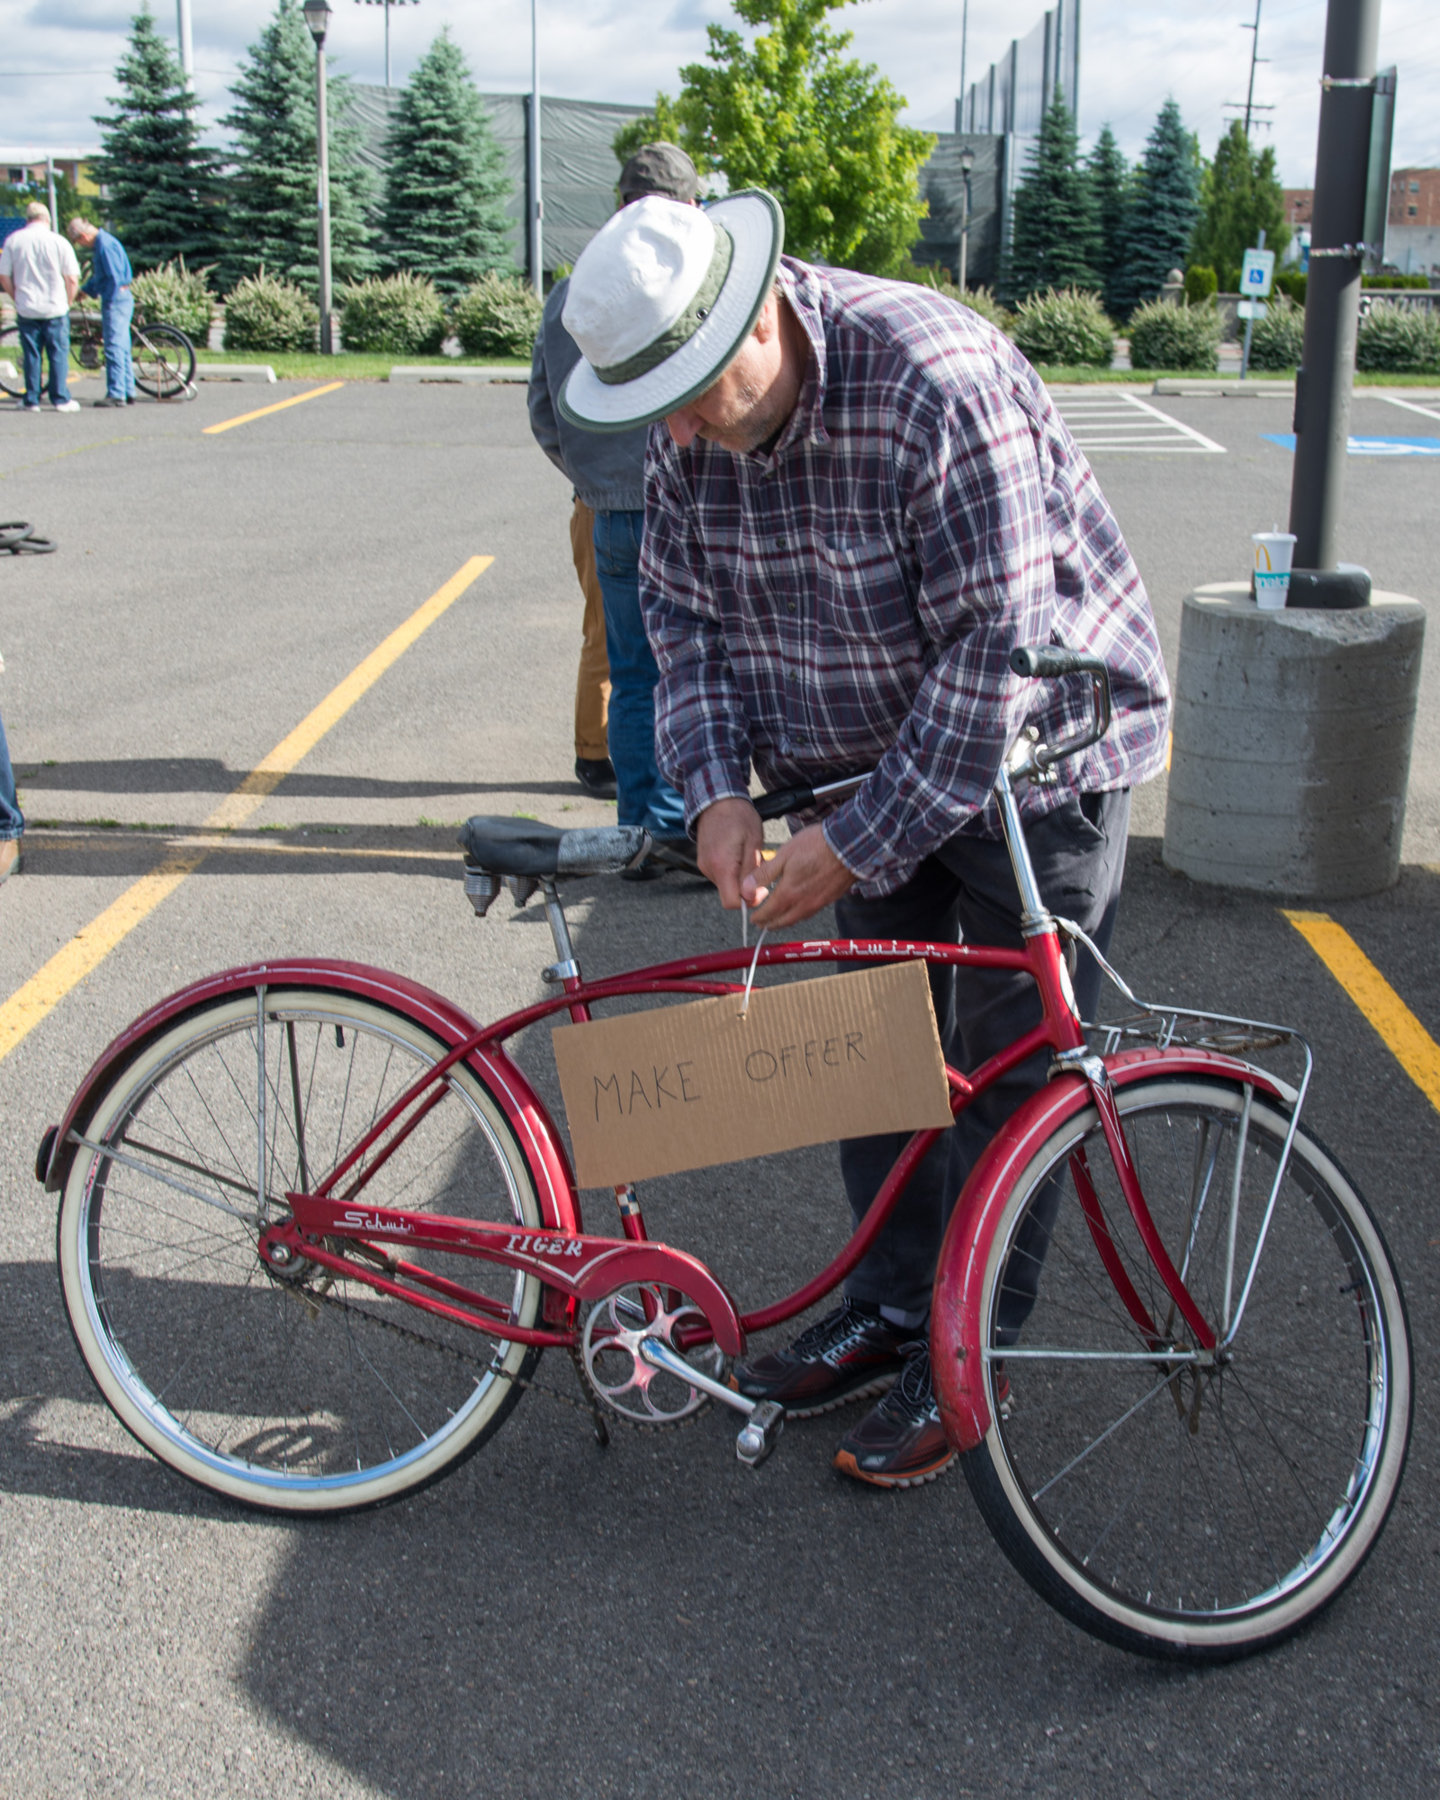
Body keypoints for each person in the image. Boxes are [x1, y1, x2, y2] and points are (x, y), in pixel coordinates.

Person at [557, 191, 1170, 1486]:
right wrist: (717, 790)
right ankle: (892, 1308)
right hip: (858, 763)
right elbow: (681, 620)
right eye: (652, 402)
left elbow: (991, 658)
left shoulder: (930, 382)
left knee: (1016, 1071)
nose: (673, 431)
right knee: (877, 1038)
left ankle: (970, 1351)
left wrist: (856, 838)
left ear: (757, 322)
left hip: (1034, 757)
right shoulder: (687, 431)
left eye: (692, 393)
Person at [529, 144, 700, 879]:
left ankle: (643, 829)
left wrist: (592, 479)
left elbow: (544, 410)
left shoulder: (573, 292)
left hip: (609, 508)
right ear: (684, 208)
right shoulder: (688, 280)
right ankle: (682, 820)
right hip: (681, 503)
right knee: (689, 668)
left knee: (632, 674)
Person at [0, 203, 81, 413]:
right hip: (55, 306)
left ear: (28, 219)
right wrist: (68, 301)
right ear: (47, 219)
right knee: (57, 353)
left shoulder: (13, 241)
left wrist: (15, 295)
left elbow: (3, 275)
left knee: (31, 354)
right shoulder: (59, 242)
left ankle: (31, 399)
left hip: (27, 305)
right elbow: (72, 278)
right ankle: (60, 398)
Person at [68, 217, 135, 408]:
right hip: (122, 297)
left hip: (116, 300)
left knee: (113, 346)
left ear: (83, 235)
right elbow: (101, 277)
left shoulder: (104, 245)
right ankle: (127, 390)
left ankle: (116, 393)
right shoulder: (105, 242)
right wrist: (86, 290)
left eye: (79, 241)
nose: (82, 245)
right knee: (122, 347)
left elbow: (112, 278)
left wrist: (110, 302)